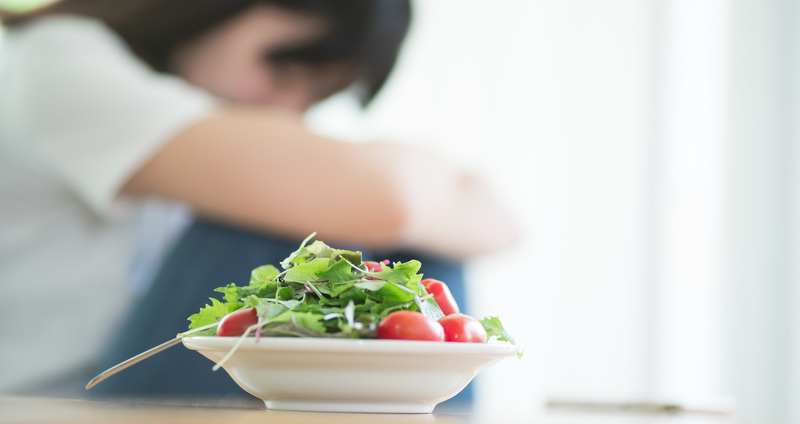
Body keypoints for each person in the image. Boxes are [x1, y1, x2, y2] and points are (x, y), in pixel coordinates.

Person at [0, 0, 517, 401]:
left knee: (390, 239)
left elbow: (503, 223)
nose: (287, 110)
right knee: (314, 224)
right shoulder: (61, 60)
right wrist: (439, 184)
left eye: (314, 98)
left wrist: (410, 196)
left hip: (122, 383)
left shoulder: (174, 105)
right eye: (286, 69)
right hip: (60, 400)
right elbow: (392, 200)